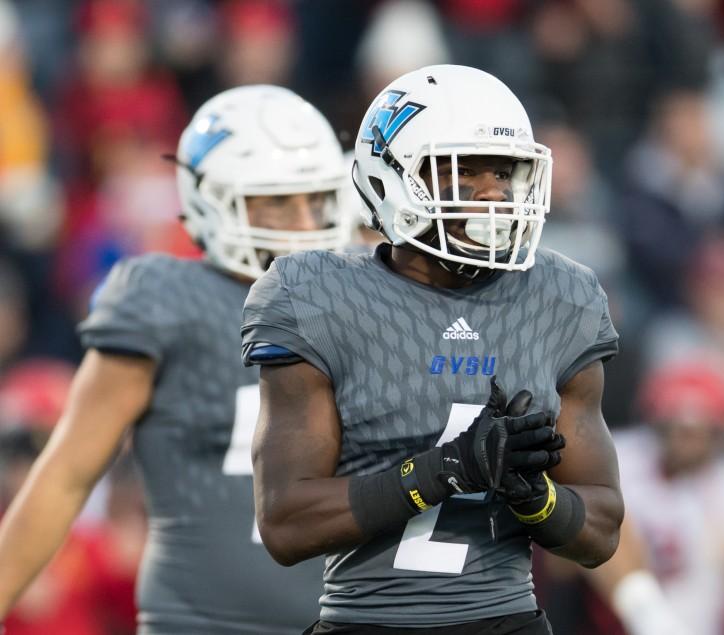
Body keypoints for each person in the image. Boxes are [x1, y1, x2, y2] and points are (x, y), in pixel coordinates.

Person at [241, 64, 623, 634]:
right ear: (392, 179)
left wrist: (535, 497)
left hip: (506, 619)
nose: (494, 193)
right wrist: (448, 468)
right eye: (464, 173)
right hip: (365, 622)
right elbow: (286, 524)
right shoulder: (315, 294)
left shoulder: (560, 297)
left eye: (504, 172)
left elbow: (602, 531)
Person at [0, 84, 353, 634]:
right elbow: (65, 476)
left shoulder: (363, 303)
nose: (306, 222)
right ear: (209, 198)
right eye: (278, 200)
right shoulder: (164, 297)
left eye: (317, 198)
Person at [612, 361, 724, 635]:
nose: (683, 440)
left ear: (720, 432)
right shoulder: (623, 461)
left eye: (696, 430)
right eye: (674, 426)